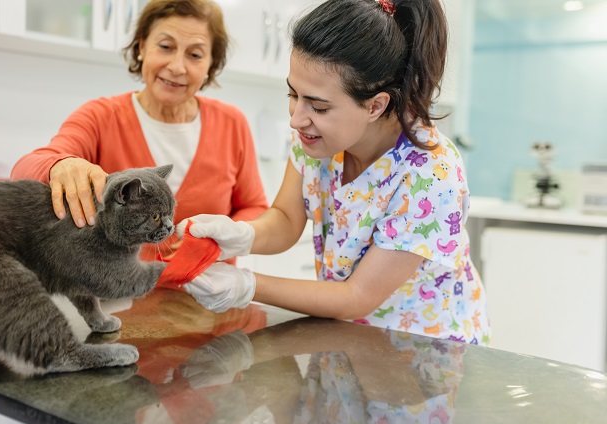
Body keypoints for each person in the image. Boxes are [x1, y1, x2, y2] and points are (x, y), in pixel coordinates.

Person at [180, 0, 491, 345]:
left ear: (375, 105)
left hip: (421, 353)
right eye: (292, 93)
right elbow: (285, 218)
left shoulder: (431, 176)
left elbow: (357, 296)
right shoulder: (316, 140)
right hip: (347, 339)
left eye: (319, 105)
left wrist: (248, 284)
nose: (296, 118)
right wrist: (243, 234)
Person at [11, 0, 268, 262]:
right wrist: (60, 164)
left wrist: (222, 240)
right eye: (165, 47)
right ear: (143, 46)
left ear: (210, 63)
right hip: (118, 297)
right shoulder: (101, 116)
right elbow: (25, 168)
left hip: (212, 294)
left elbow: (254, 207)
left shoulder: (232, 123)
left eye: (195, 55)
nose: (177, 67)